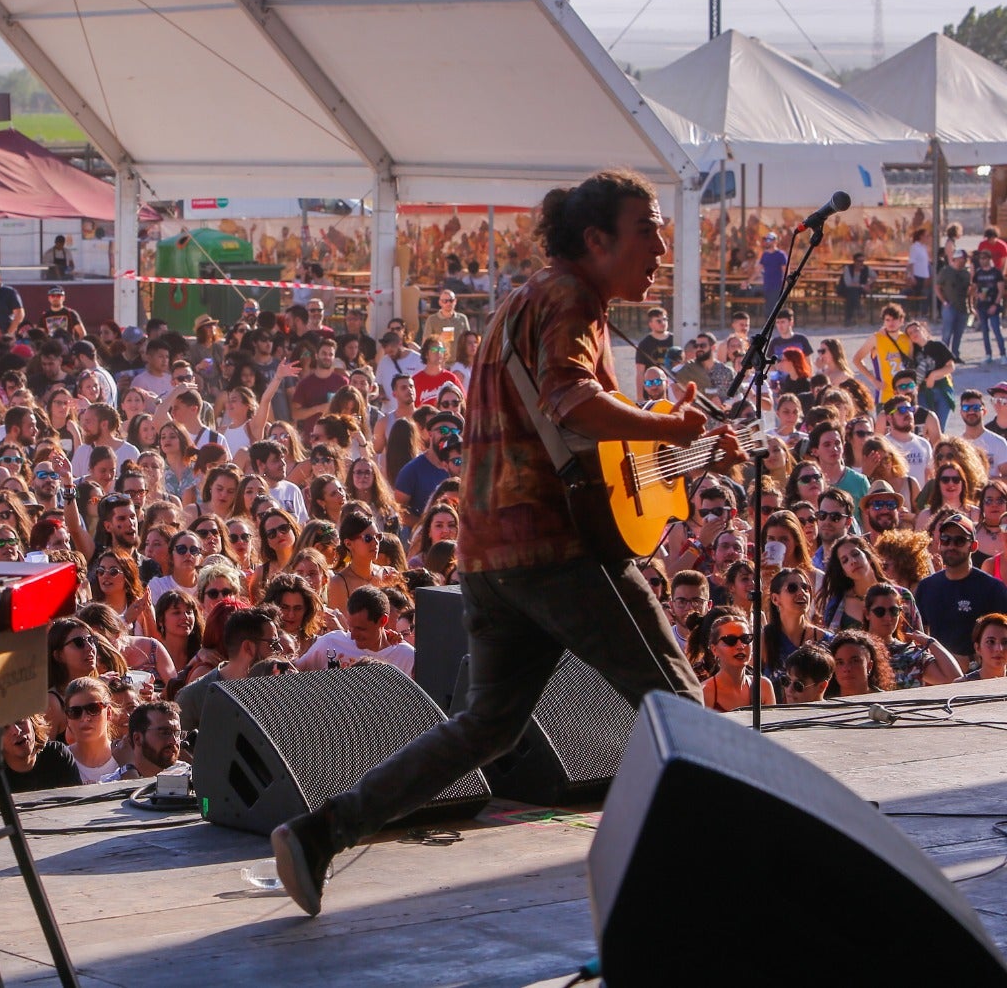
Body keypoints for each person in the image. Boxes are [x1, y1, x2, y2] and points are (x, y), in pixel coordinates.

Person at [271, 170, 739, 916]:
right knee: (676, 699)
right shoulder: (569, 299)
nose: (662, 247)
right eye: (648, 229)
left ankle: (322, 832)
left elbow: (576, 450)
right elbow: (574, 403)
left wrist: (684, 456)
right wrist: (673, 427)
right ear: (596, 241)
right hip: (559, 552)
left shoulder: (524, 300)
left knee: (487, 727)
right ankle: (728, 858)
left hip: (493, 557)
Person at [916, 513, 1007, 671]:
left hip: (979, 678)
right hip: (938, 677)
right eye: (946, 539)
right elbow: (918, 636)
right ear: (939, 543)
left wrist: (972, 659)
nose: (951, 546)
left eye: (959, 540)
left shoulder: (992, 589)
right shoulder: (926, 587)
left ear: (973, 546)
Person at [853, 305, 913, 406]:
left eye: (894, 319)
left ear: (901, 320)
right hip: (884, 395)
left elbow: (912, 366)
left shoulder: (907, 339)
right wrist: (874, 380)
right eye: (887, 320)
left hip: (905, 395)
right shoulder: (876, 338)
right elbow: (857, 359)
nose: (891, 323)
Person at [936, 248, 972, 359]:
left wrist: (971, 305)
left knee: (959, 333)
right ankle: (943, 356)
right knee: (947, 332)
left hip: (963, 306)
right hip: (949, 306)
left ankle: (955, 354)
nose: (963, 261)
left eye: (965, 260)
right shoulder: (946, 271)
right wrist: (943, 301)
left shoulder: (966, 273)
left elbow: (969, 291)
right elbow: (937, 287)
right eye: (962, 259)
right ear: (956, 259)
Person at [973, 248, 1006, 366]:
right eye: (981, 259)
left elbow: (1000, 290)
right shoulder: (978, 273)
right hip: (982, 305)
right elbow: (974, 288)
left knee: (996, 330)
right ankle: (988, 354)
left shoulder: (996, 272)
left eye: (985, 258)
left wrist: (996, 304)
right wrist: (978, 295)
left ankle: (1002, 354)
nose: (982, 261)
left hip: (993, 305)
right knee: (984, 332)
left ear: (989, 259)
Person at [839, 251, 875, 327]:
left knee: (852, 294)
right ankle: (859, 310)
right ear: (854, 261)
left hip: (858, 291)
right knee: (852, 292)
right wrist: (863, 286)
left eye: (863, 261)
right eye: (859, 261)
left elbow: (874, 276)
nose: (861, 263)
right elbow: (848, 284)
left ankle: (848, 320)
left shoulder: (866, 268)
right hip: (845, 290)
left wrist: (868, 284)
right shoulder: (848, 268)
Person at [757, 231, 788, 314]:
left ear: (775, 241)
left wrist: (785, 284)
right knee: (768, 308)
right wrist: (748, 281)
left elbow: (785, 271)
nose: (767, 241)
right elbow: (758, 269)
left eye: (769, 239)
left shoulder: (781, 255)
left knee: (775, 308)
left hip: (777, 286)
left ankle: (777, 325)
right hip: (767, 285)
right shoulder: (765, 254)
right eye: (766, 239)